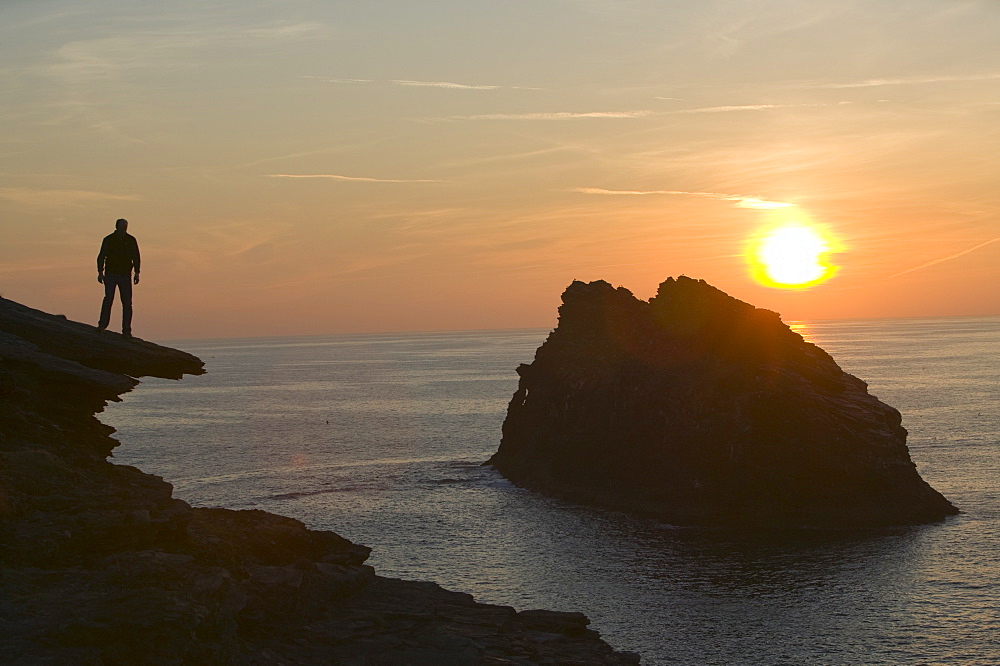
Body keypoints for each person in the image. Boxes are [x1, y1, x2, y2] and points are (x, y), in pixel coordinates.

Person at [97, 218, 141, 337]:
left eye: (125, 227)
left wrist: (137, 273)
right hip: (111, 273)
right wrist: (100, 272)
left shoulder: (131, 240)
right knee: (108, 299)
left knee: (127, 303)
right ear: (117, 227)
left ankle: (126, 330)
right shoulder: (109, 240)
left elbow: (136, 256)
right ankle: (102, 326)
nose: (123, 229)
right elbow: (101, 256)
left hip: (125, 274)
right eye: (122, 227)